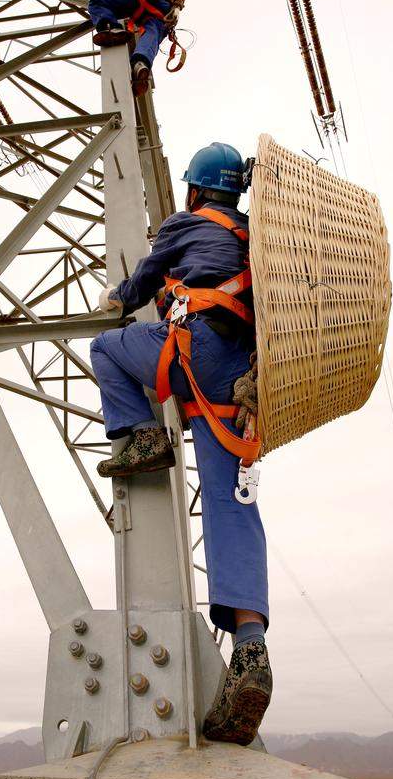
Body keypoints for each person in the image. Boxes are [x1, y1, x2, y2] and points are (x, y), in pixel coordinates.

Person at [90, 142, 272, 746]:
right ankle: (250, 647)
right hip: (239, 380)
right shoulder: (257, 238)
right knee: (231, 499)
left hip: (195, 352)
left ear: (195, 190)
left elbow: (142, 281)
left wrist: (115, 298)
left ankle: (142, 438)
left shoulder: (184, 223)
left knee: (107, 350)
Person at [88, 0, 189, 96]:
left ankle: (112, 28)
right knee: (151, 35)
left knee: (97, 4)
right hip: (162, 13)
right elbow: (177, 9)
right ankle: (141, 64)